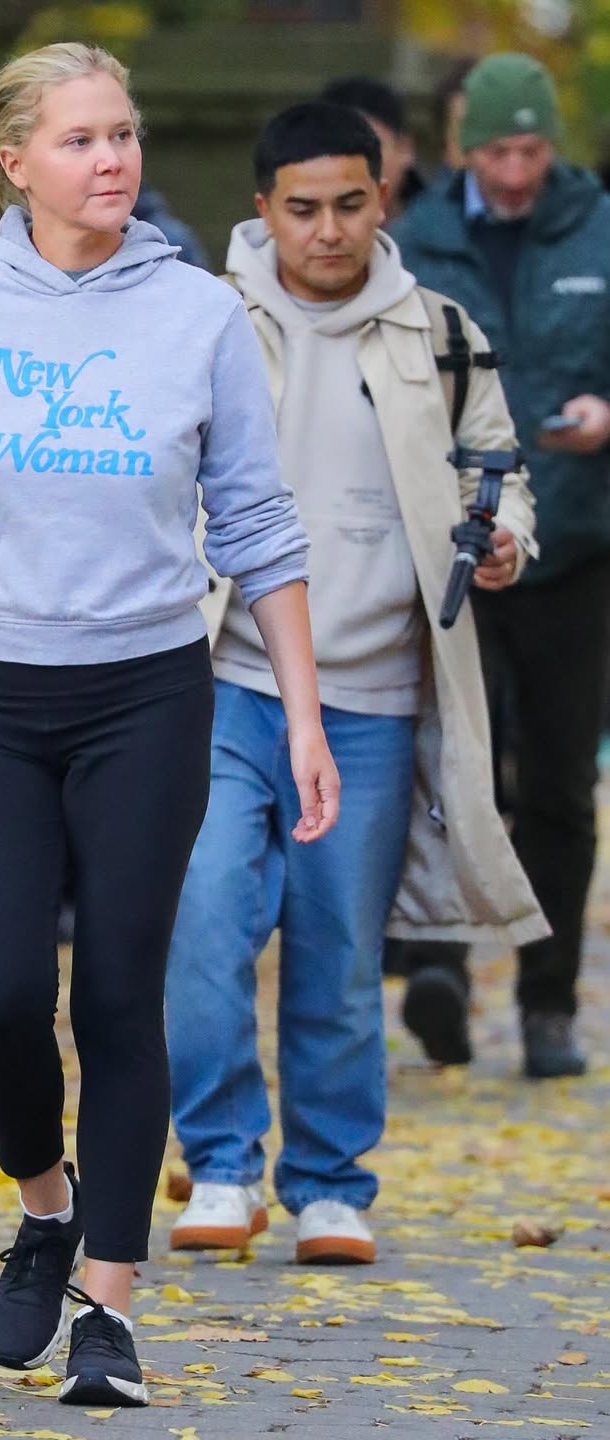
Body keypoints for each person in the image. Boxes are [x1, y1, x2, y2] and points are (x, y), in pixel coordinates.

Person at [0, 41, 337, 1410]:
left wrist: (303, 716)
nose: (112, 158)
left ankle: (108, 1310)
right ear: (16, 163)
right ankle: (46, 1205)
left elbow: (258, 522)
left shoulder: (198, 315)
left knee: (121, 992)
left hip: (147, 694)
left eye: (123, 133)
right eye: (80, 139)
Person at [165, 102, 544, 1265]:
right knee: (202, 920)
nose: (327, 230)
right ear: (263, 208)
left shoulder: (441, 332)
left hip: (375, 696)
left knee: (336, 952)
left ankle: (331, 1183)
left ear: (383, 200)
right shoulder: (202, 321)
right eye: (302, 208)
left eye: (349, 204)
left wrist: (505, 541)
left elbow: (498, 474)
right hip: (226, 680)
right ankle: (221, 1163)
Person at [392, 53, 610, 1078]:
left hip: (572, 544)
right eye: (497, 153)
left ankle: (547, 1003)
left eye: (531, 150)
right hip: (453, 544)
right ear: (462, 147)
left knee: (559, 785)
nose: (516, 173)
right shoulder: (417, 238)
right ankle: (436, 967)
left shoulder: (597, 226)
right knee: (449, 766)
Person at [320, 76, 426, 222]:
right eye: (337, 150)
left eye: (366, 148)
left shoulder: (445, 227)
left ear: (405, 149)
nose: (353, 164)